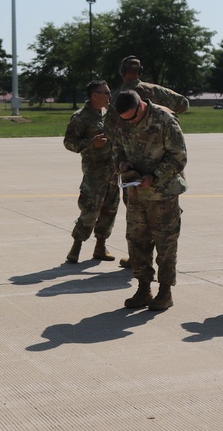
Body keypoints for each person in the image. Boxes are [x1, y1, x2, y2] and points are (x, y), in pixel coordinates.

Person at [107, 55, 189, 268]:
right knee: (161, 222)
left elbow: (110, 132)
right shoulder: (155, 90)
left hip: (143, 171)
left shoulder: (120, 97)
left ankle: (139, 258)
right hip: (166, 167)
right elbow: (183, 103)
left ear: (122, 71)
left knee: (139, 221)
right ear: (140, 70)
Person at [110, 89, 188, 311]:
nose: (130, 122)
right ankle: (144, 288)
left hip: (162, 194)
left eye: (133, 117)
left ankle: (165, 291)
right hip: (135, 194)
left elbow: (179, 157)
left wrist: (154, 176)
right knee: (137, 241)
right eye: (125, 119)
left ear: (141, 106)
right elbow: (116, 149)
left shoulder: (164, 120)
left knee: (165, 242)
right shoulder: (124, 120)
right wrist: (122, 164)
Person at [63, 80, 119, 263]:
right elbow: (69, 143)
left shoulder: (108, 115)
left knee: (109, 210)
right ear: (94, 95)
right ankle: (76, 247)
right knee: (89, 210)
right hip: (94, 174)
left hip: (112, 172)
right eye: (106, 93)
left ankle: (100, 247)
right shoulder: (80, 117)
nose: (109, 96)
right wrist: (90, 144)